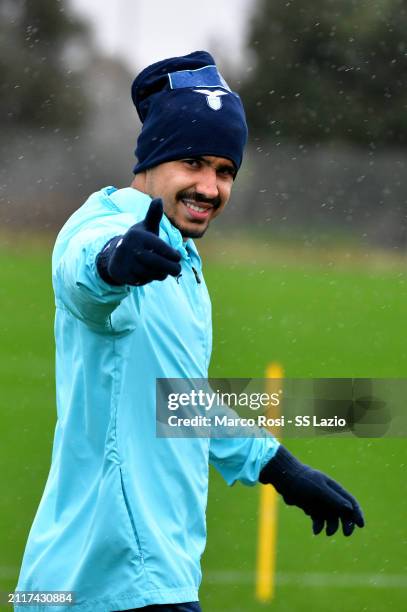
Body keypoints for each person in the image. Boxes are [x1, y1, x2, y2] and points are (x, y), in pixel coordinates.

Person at [15, 51, 364, 612]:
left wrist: (279, 467)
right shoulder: (108, 228)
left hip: (133, 574)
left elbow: (178, 402)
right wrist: (112, 264)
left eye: (225, 171)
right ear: (154, 157)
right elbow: (81, 274)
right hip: (115, 576)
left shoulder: (180, 260)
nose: (210, 186)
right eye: (193, 163)